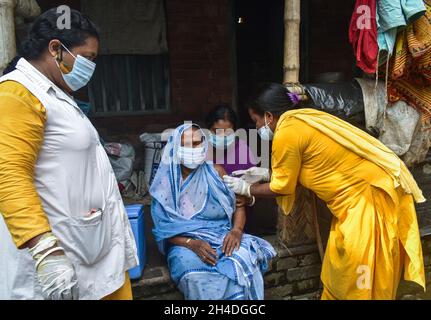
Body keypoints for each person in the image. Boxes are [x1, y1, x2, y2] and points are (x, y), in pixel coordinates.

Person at [223, 82, 426, 300]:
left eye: (256, 121)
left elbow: (283, 186)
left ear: (269, 116)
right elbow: (296, 170)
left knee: (360, 271)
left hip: (368, 198)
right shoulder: (302, 119)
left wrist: (247, 188)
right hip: (355, 201)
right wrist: (265, 174)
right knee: (342, 266)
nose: (256, 128)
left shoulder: (287, 133)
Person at [0, 9, 138, 300]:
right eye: (87, 57)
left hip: (90, 247)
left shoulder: (57, 94)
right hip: (61, 257)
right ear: (56, 49)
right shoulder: (17, 95)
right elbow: (9, 174)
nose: (90, 66)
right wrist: (44, 249)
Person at [150, 124, 276, 300]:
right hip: (184, 244)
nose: (194, 149)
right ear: (176, 149)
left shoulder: (215, 172)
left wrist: (237, 230)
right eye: (187, 144)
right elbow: (162, 228)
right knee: (194, 276)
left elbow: (238, 204)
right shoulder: (167, 182)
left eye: (197, 143)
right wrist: (191, 243)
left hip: (222, 236)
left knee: (242, 261)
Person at [205, 104, 256, 175]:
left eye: (228, 132)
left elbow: (254, 182)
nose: (222, 136)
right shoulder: (200, 149)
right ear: (208, 130)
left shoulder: (242, 150)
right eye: (217, 131)